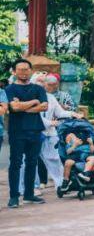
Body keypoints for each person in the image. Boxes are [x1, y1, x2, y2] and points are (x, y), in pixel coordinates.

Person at [6, 59, 49, 208]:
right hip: (17, 131)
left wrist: (23, 105)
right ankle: (14, 197)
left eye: (26, 69)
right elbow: (13, 107)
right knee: (15, 164)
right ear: (14, 71)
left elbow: (44, 107)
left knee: (32, 162)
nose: (24, 72)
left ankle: (29, 194)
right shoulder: (9, 89)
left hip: (35, 130)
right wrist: (34, 102)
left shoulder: (38, 88)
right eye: (20, 69)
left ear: (31, 70)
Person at [37, 74, 77, 192]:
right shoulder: (33, 98)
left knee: (54, 158)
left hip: (50, 133)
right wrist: (50, 123)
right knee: (32, 161)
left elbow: (59, 113)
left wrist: (71, 114)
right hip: (36, 133)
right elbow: (35, 116)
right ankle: (32, 187)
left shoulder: (50, 98)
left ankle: (60, 185)